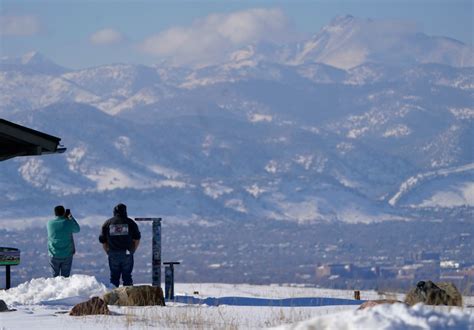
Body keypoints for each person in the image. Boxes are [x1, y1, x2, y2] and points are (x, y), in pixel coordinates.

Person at [99, 203, 141, 287]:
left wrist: (108, 251)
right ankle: (128, 298)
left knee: (114, 277)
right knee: (127, 277)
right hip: (127, 253)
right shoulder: (130, 223)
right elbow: (137, 238)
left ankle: (114, 297)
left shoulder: (108, 223)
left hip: (113, 253)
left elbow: (103, 240)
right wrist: (133, 250)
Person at [47, 205, 80, 277]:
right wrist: (70, 218)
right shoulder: (68, 223)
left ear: (55, 213)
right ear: (64, 212)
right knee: (65, 278)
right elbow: (77, 229)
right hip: (67, 254)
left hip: (53, 253)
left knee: (54, 278)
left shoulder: (49, 223)